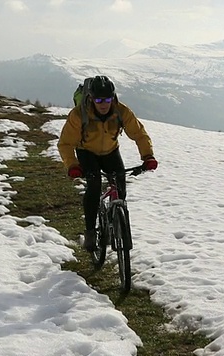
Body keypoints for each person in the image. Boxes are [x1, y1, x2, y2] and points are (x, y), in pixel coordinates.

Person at [57, 75, 158, 251]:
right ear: (91, 98)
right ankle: (90, 233)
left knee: (120, 186)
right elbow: (65, 143)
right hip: (86, 152)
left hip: (111, 151)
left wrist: (148, 157)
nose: (104, 104)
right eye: (99, 99)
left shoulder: (121, 111)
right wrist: (73, 165)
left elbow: (139, 134)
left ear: (113, 97)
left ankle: (115, 225)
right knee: (94, 186)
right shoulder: (79, 115)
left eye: (108, 99)